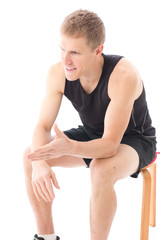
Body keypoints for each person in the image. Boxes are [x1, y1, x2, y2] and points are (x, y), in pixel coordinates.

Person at [23, 9, 156, 240]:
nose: (66, 60)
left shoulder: (123, 75)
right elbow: (42, 127)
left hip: (134, 140)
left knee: (100, 170)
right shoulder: (58, 72)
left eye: (74, 52)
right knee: (31, 156)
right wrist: (40, 163)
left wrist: (70, 147)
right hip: (93, 134)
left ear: (98, 50)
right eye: (62, 49)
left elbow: (109, 146)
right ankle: (46, 236)